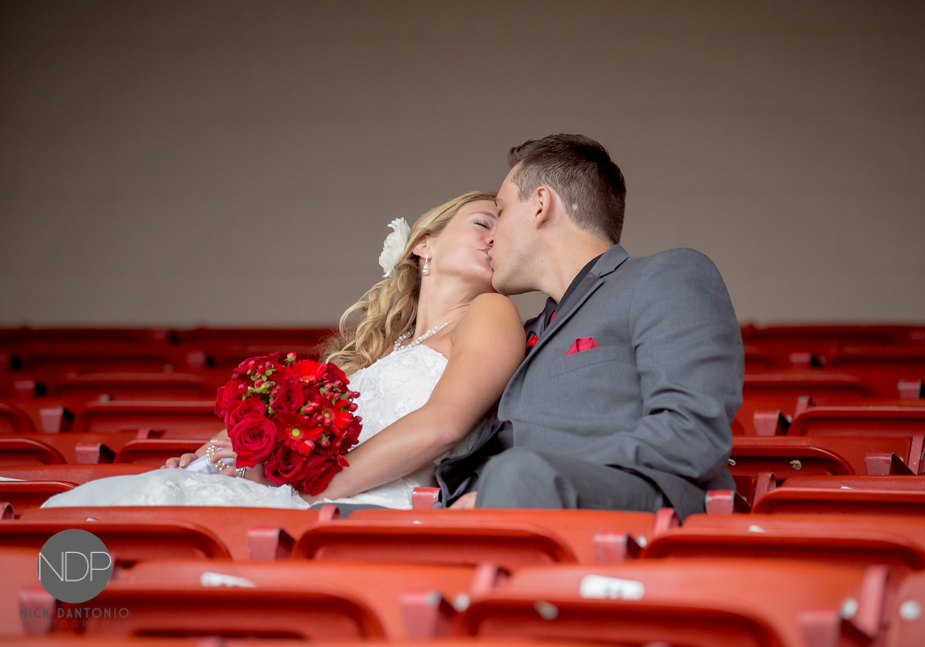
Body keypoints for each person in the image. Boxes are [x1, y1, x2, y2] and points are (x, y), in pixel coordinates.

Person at [42, 192, 525, 509]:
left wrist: (307, 487)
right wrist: (221, 458)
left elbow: (442, 425)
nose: (493, 237)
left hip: (358, 506)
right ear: (425, 245)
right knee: (100, 505)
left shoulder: (490, 310)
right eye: (482, 222)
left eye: (501, 234)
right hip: (316, 496)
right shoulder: (390, 349)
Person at [437, 135, 744, 520]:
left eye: (500, 212)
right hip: (507, 504)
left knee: (516, 474)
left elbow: (690, 433)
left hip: (637, 517)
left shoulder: (665, 276)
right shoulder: (520, 333)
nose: (491, 236)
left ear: (540, 205)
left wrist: (515, 479)